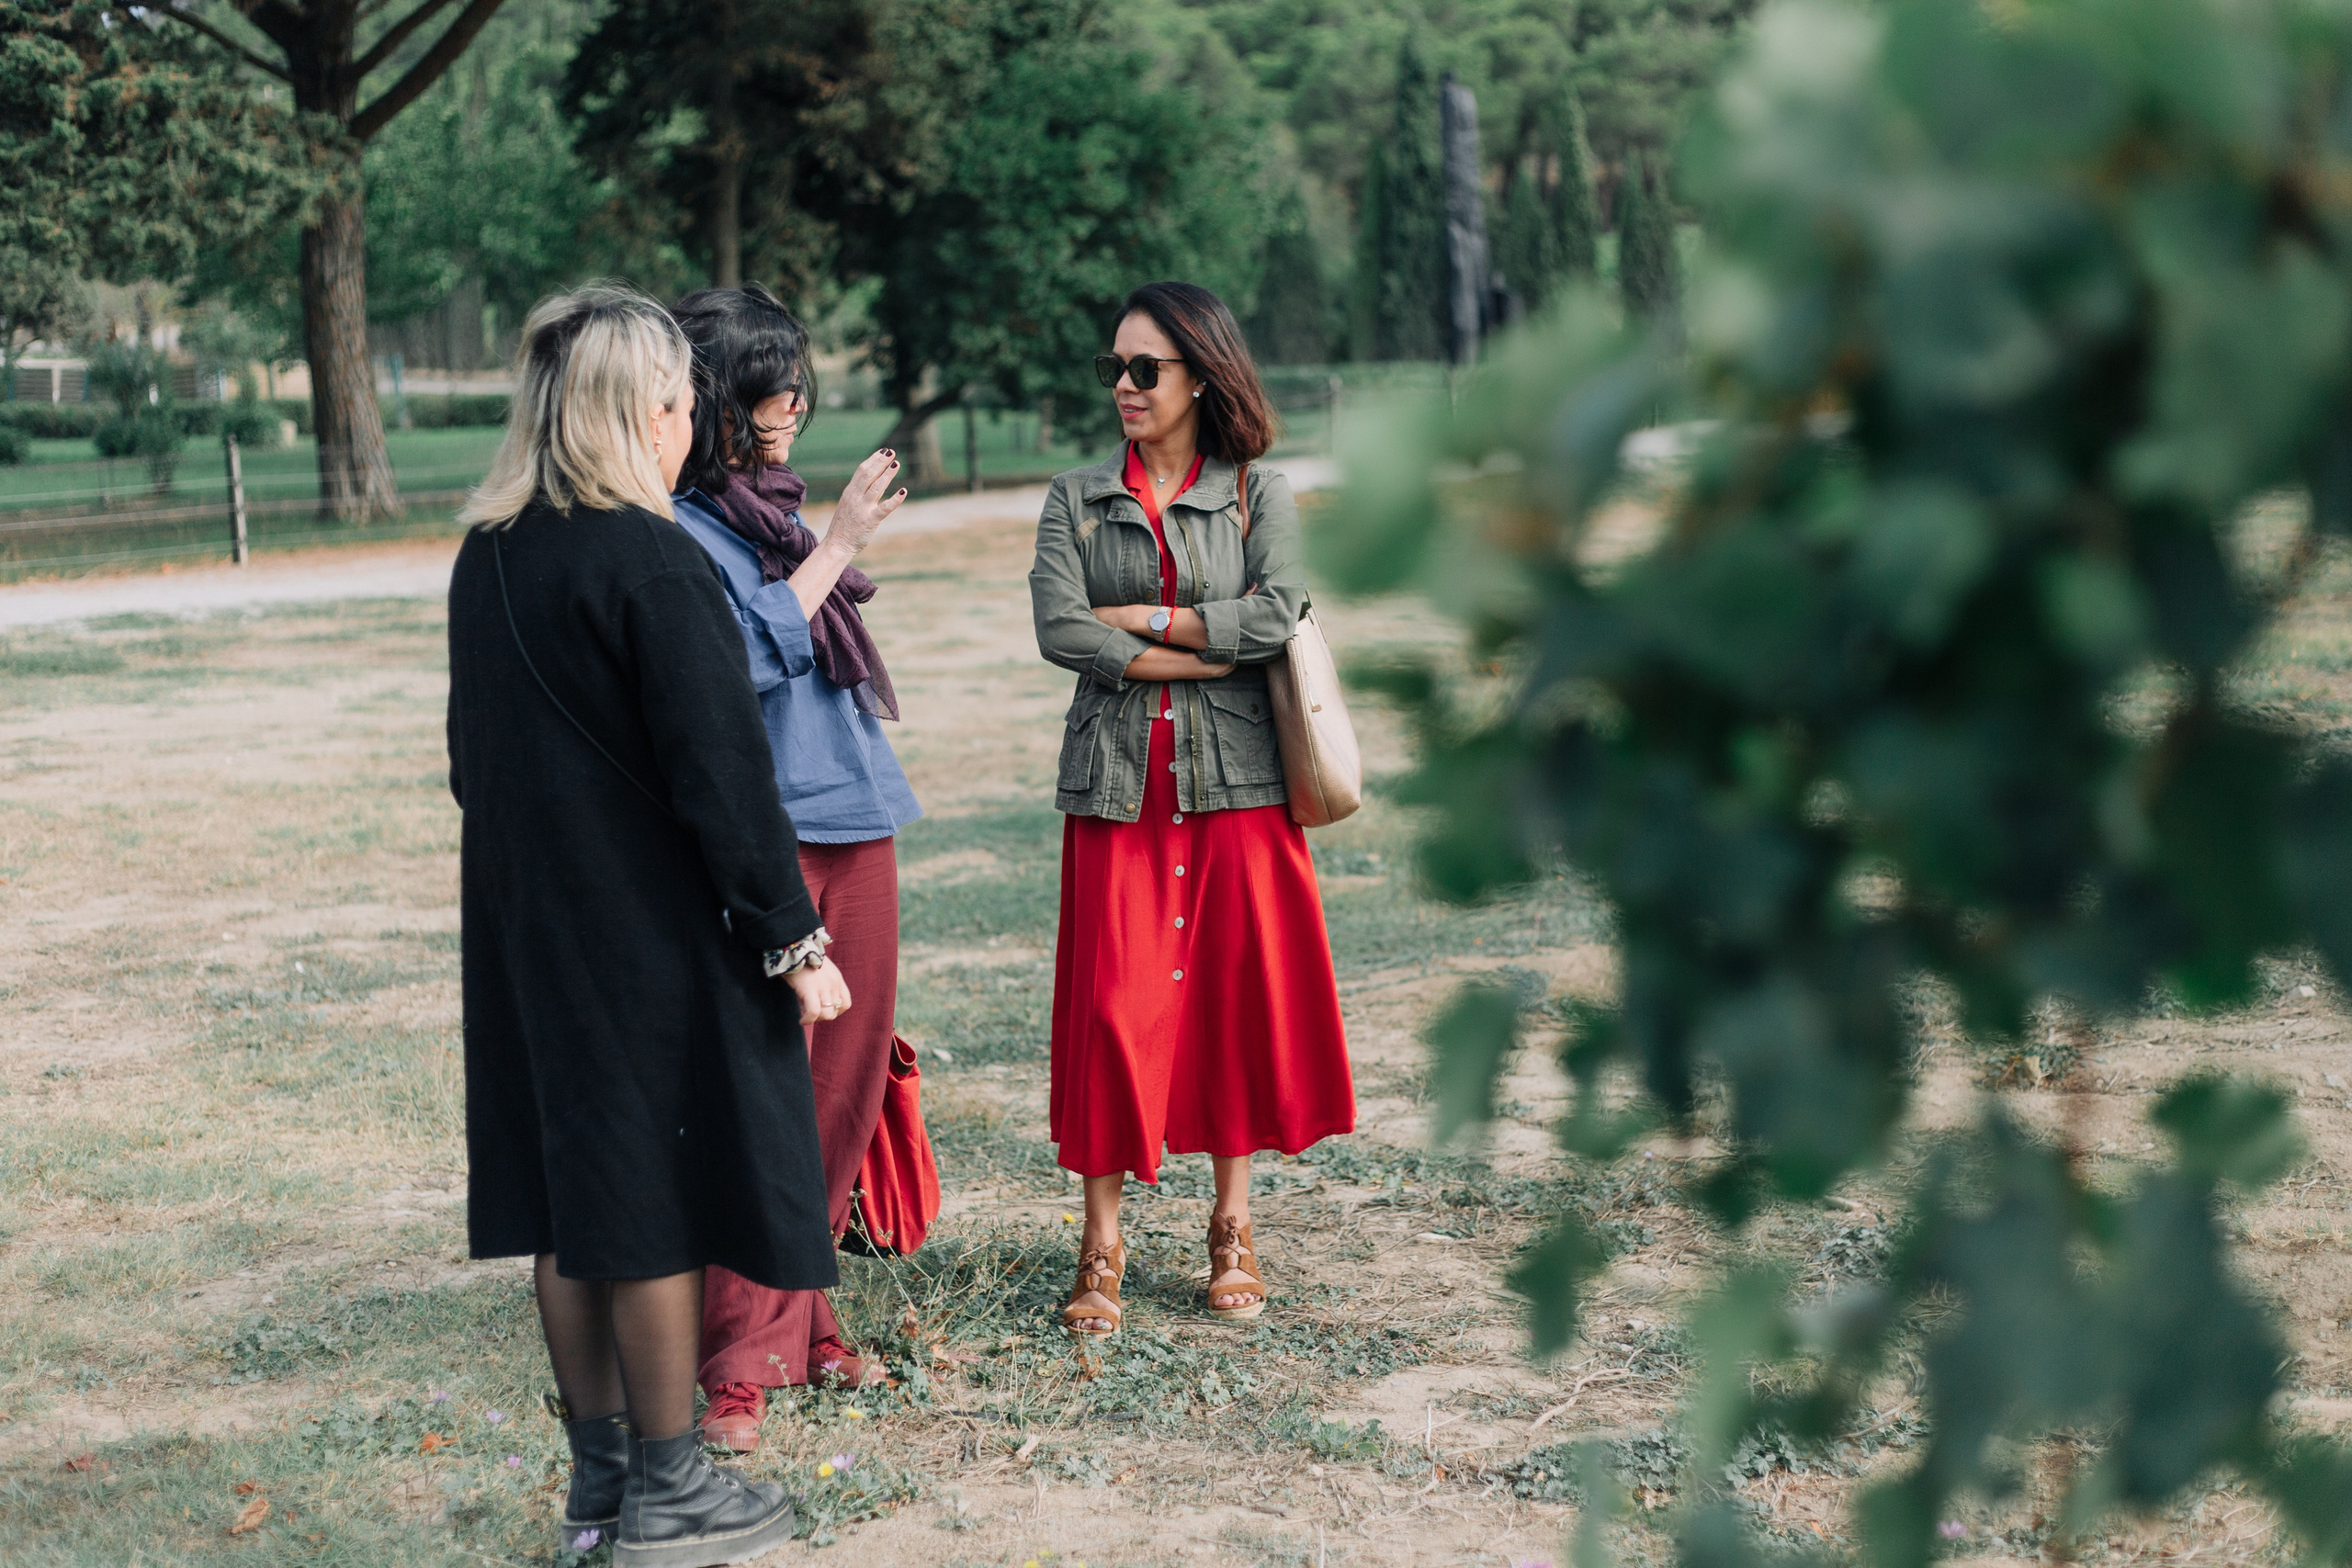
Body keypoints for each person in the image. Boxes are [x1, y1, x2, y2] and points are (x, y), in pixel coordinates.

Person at [447, 283, 848, 1567]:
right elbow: (720, 776)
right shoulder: (655, 556)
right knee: (657, 1198)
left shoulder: (489, 550)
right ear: (640, 413)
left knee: (575, 1198)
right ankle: (672, 1496)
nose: (691, 424)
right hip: (646, 932)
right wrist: (792, 936)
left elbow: (473, 761)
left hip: (527, 924)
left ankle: (597, 1491)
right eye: (680, 402)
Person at [1027, 280, 1355, 1337]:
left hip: (1240, 789)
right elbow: (1061, 631)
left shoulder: (1259, 492)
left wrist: (1153, 624)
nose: (1122, 387)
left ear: (1200, 377)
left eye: (1144, 370)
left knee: (1228, 1006)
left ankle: (1232, 1228)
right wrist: (1189, 654)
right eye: (1112, 369)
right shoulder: (1073, 498)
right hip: (1119, 793)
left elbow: (1276, 616)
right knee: (1114, 1014)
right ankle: (1102, 1242)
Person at [664, 285, 918, 1451]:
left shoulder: (773, 514)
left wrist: (824, 543)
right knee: (757, 1100)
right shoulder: (676, 529)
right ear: (715, 400)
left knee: (841, 1092)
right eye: (768, 385)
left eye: (796, 381)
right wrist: (843, 548)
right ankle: (734, 1365)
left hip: (856, 815)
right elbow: (738, 664)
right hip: (767, 839)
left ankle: (806, 1323)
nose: (792, 406)